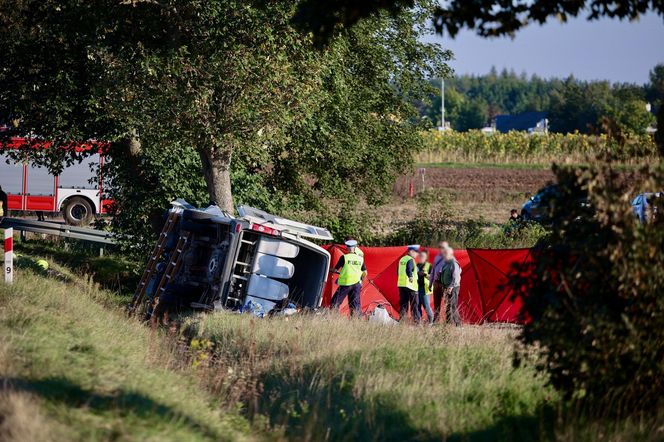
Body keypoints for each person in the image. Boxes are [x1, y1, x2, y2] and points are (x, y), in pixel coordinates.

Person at [330, 240, 366, 316]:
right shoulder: (360, 259)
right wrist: (361, 280)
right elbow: (364, 272)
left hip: (346, 283)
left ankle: (333, 318)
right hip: (357, 284)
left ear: (346, 247)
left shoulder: (344, 257)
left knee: (335, 302)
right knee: (354, 304)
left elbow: (336, 269)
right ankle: (356, 321)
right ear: (355, 247)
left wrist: (329, 269)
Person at [397, 245, 421, 324]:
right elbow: (409, 269)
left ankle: (402, 321)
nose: (417, 254)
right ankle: (416, 322)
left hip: (401, 284)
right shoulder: (411, 259)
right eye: (416, 252)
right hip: (411, 286)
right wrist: (410, 277)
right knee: (415, 304)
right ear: (411, 252)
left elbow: (398, 271)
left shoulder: (402, 259)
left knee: (403, 304)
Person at [440, 247, 462, 326]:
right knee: (447, 305)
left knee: (452, 305)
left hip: (453, 287)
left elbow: (456, 277)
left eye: (445, 254)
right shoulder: (446, 263)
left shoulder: (453, 263)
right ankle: (448, 323)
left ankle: (458, 324)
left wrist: (451, 287)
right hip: (446, 287)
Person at [429, 241, 449, 322]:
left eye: (443, 247)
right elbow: (433, 271)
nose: (441, 249)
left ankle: (448, 321)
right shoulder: (437, 258)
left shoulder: (449, 258)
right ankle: (436, 321)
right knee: (436, 303)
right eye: (440, 247)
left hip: (444, 283)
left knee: (447, 304)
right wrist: (430, 283)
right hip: (436, 283)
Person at [416, 249, 434, 324]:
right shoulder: (416, 265)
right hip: (416, 288)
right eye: (420, 255)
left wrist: (425, 274)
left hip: (425, 289)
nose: (421, 257)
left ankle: (431, 322)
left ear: (426, 257)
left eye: (423, 256)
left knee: (426, 306)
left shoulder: (429, 266)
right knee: (417, 305)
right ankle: (419, 322)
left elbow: (433, 277)